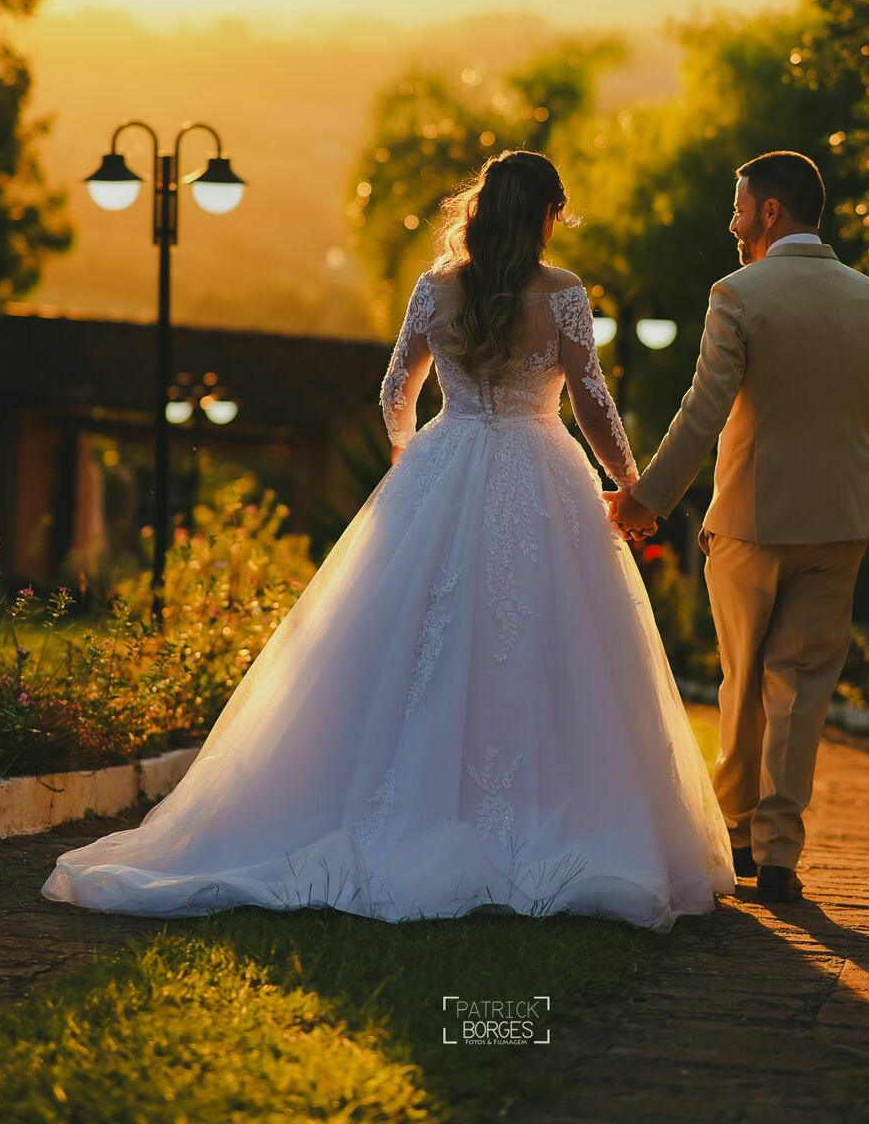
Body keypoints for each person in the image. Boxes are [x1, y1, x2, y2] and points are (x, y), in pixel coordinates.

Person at [42, 150, 734, 928]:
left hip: (448, 454)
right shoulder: (563, 293)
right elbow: (591, 397)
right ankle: (551, 815)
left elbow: (395, 386)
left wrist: (413, 456)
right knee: (544, 637)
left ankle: (402, 800)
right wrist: (630, 484)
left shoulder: (438, 287)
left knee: (419, 639)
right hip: (541, 469)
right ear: (545, 216)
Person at [608, 151, 869, 905]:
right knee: (802, 688)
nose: (733, 224)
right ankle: (778, 857)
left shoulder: (738, 293)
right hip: (842, 519)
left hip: (752, 517)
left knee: (742, 683)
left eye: (739, 209)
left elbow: (703, 410)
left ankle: (736, 832)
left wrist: (647, 499)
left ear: (770, 211)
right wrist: (846, 490)